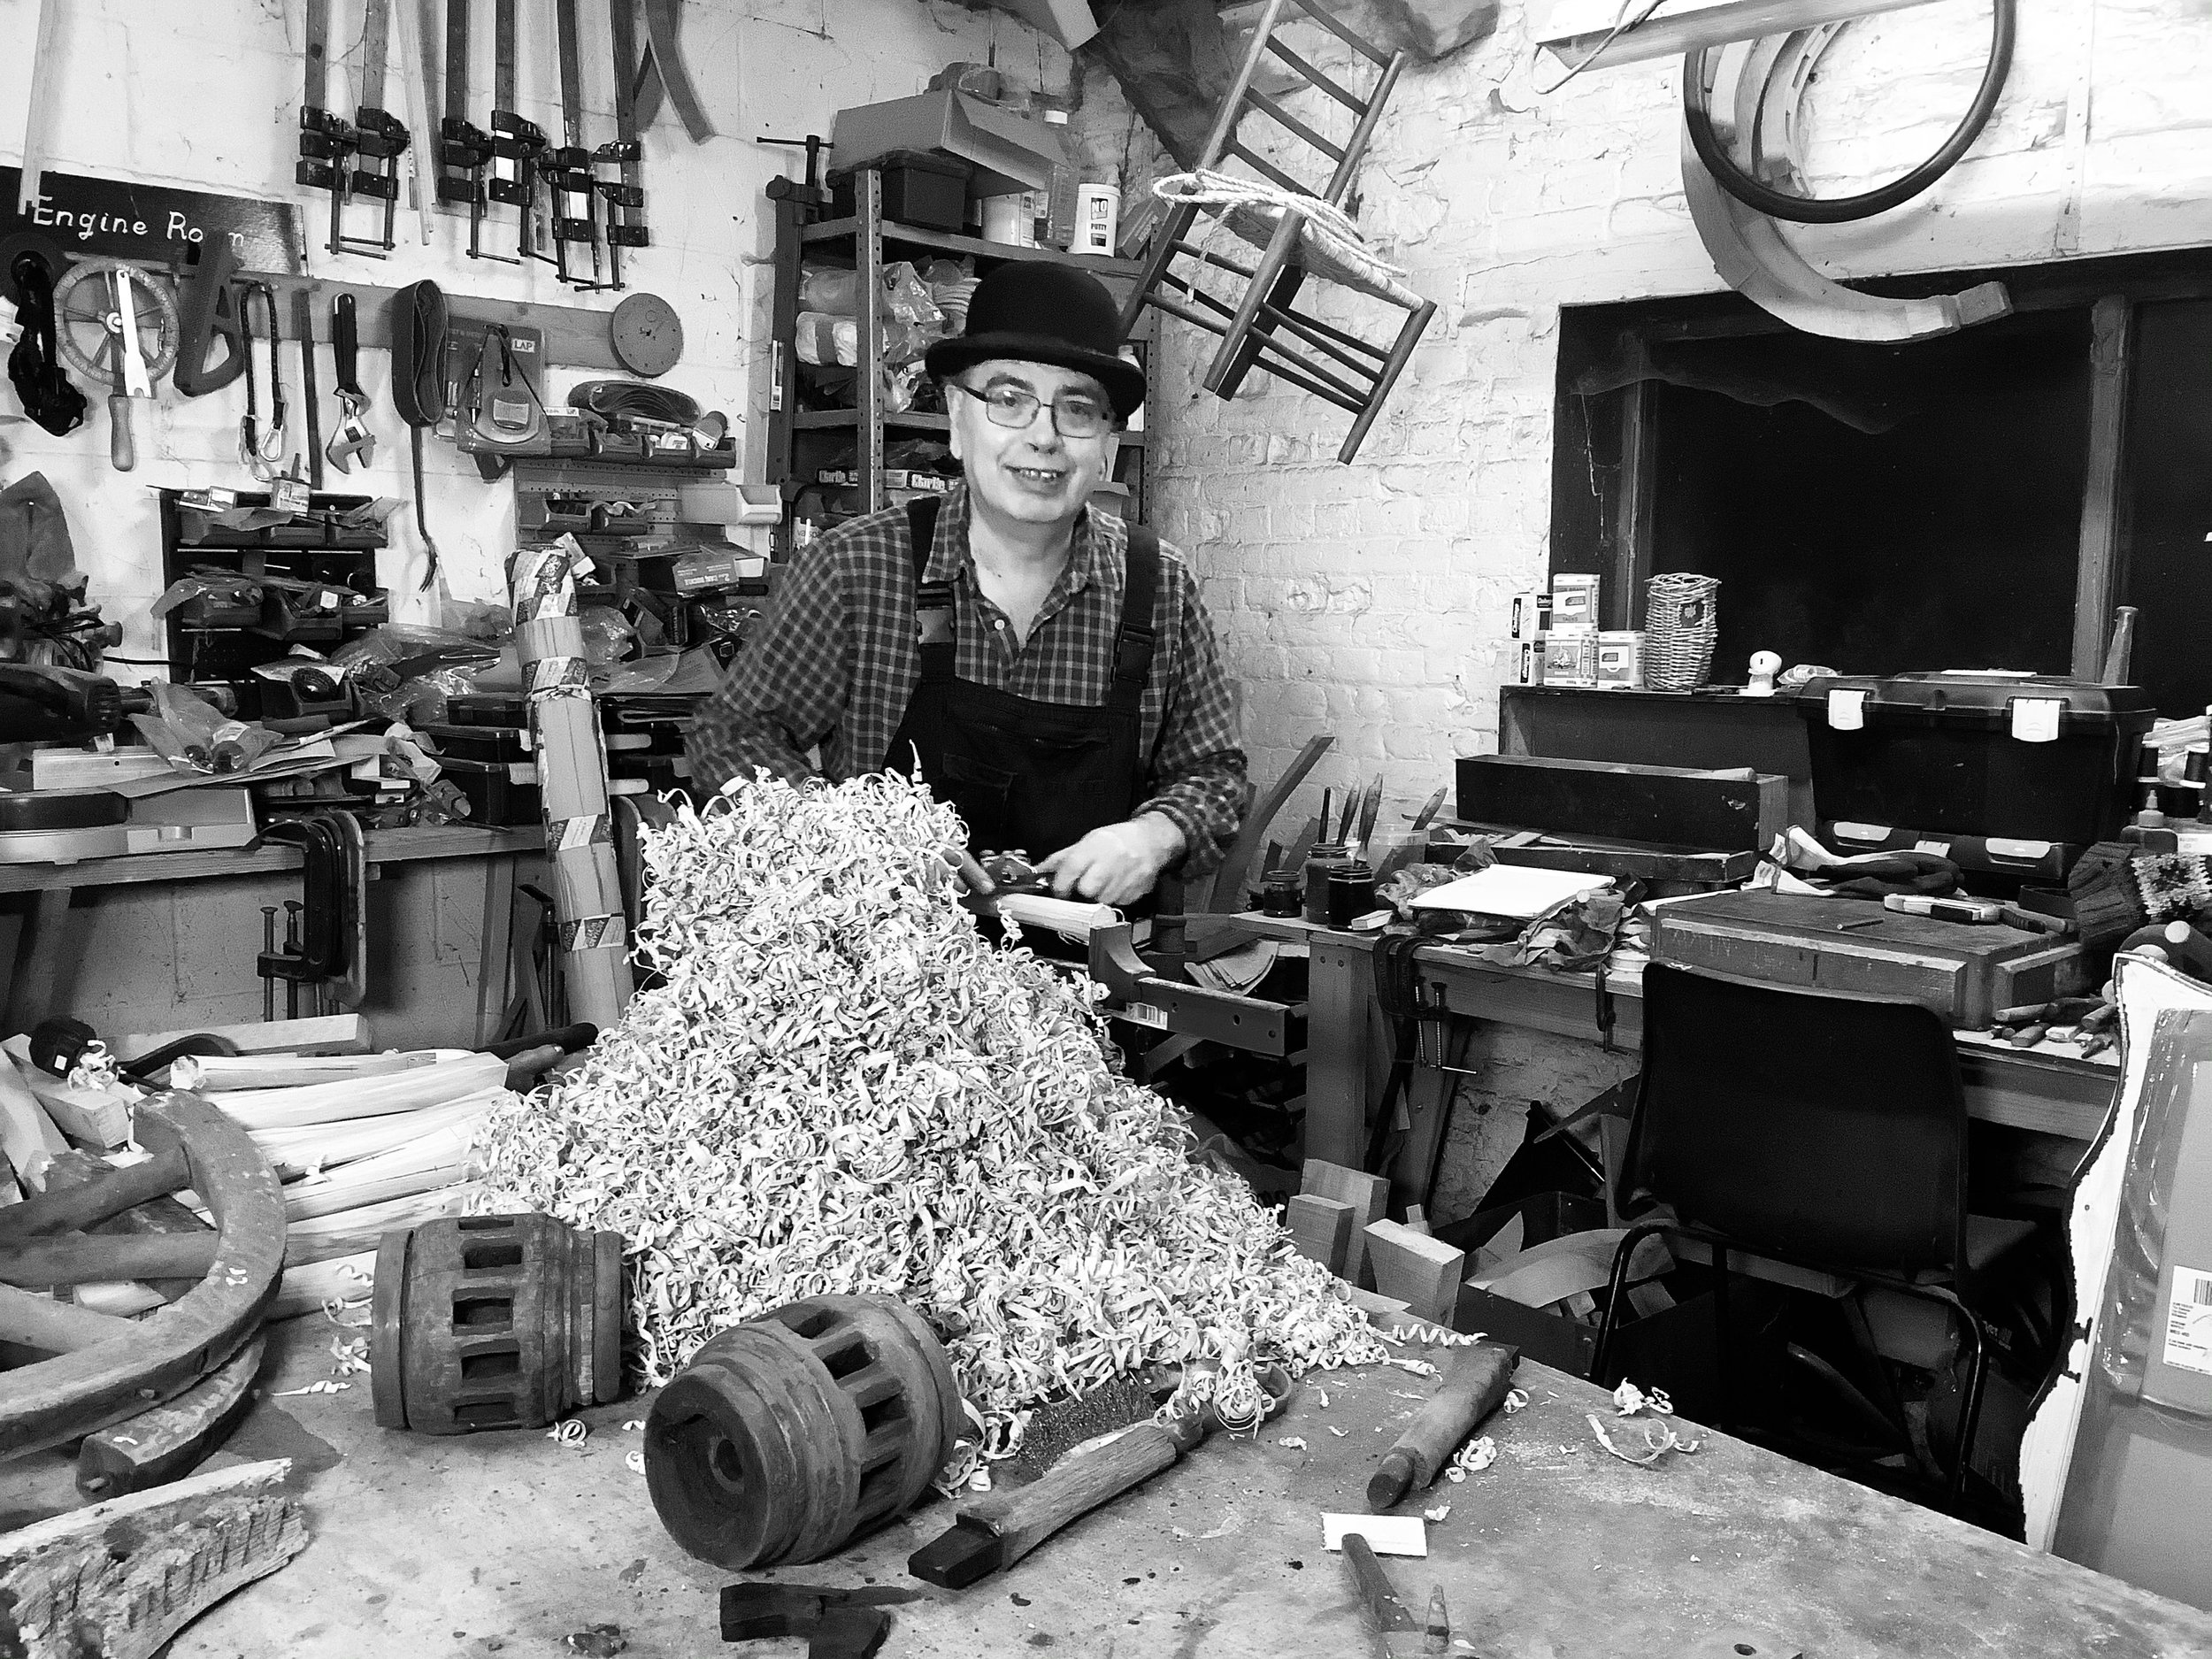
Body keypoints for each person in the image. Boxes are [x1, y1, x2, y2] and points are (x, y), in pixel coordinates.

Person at [687, 262, 1250, 907]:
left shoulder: (1161, 588)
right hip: (894, 977)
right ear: (957, 417)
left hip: (1095, 986)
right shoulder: (860, 569)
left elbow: (1213, 774)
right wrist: (856, 839)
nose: (1043, 437)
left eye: (1078, 409)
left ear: (1109, 444)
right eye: (1009, 400)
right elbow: (730, 735)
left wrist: (1155, 835)